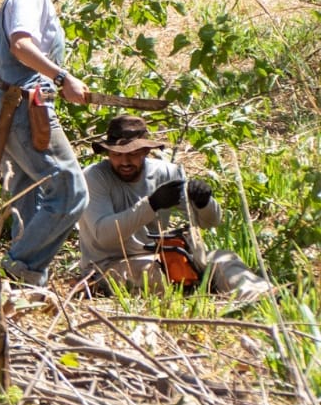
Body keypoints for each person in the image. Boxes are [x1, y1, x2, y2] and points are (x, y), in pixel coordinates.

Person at [0, 0, 90, 286]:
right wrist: (62, 77)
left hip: (9, 103)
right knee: (71, 191)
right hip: (25, 106)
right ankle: (19, 266)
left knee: (27, 193)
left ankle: (16, 289)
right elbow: (21, 45)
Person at [78, 115, 272, 298]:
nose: (125, 162)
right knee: (159, 272)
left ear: (146, 151)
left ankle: (262, 297)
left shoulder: (165, 172)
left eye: (133, 154)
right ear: (107, 153)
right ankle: (202, 290)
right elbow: (104, 236)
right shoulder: (94, 178)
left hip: (163, 257)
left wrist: (204, 202)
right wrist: (151, 205)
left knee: (223, 259)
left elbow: (211, 222)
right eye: (117, 155)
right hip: (107, 266)